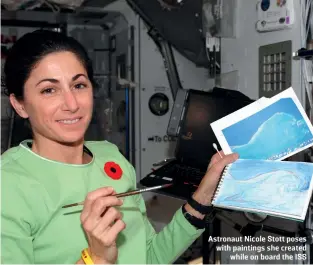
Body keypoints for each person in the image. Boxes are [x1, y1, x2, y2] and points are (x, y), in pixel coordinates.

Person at [1, 30, 238, 264]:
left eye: (79, 85)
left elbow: (148, 257)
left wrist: (202, 197)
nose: (72, 104)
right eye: (49, 90)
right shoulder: (9, 184)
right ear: (19, 105)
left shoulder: (109, 156)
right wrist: (95, 259)